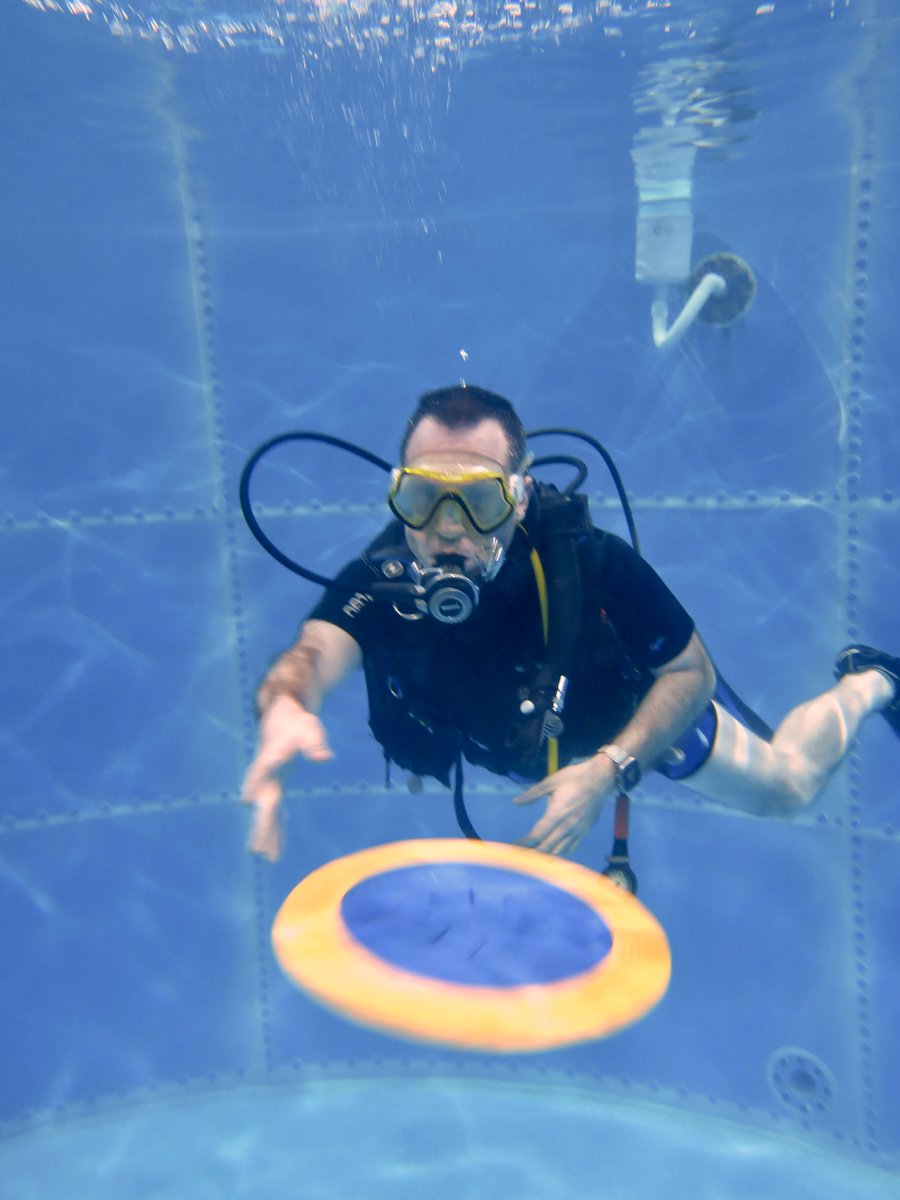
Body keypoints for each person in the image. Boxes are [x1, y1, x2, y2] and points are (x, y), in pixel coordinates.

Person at [242, 386, 899, 863]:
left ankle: (871, 681)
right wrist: (284, 705)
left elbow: (690, 672)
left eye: (477, 501)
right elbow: (312, 651)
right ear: (398, 493)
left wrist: (612, 766)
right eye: (422, 498)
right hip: (521, 739)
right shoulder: (380, 584)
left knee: (786, 787)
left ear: (519, 495)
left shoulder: (591, 563)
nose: (447, 530)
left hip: (627, 725)